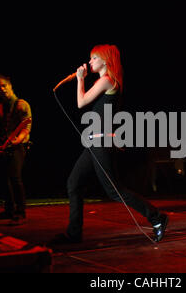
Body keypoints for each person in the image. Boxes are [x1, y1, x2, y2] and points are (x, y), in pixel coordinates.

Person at [51, 44, 168, 244]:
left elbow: (81, 102)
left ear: (104, 60)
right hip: (95, 142)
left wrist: (80, 79)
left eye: (93, 58)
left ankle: (157, 217)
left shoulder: (107, 80)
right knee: (74, 183)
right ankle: (74, 233)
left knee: (114, 190)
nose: (89, 62)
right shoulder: (107, 82)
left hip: (100, 142)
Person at [0, 74, 32, 224]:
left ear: (10, 86)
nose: (2, 89)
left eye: (4, 86)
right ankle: (8, 210)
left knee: (15, 178)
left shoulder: (21, 105)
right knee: (4, 179)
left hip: (18, 146)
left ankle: (20, 211)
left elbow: (26, 126)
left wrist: (18, 140)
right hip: (3, 147)